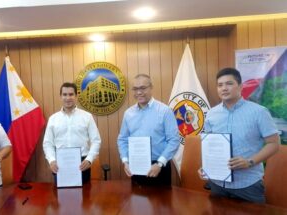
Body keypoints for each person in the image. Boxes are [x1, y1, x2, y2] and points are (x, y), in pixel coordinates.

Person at [199, 68, 280, 203]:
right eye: (220, 85)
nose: (224, 88)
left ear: (240, 87)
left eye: (229, 83)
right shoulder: (211, 114)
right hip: (218, 183)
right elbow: (210, 145)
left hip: (248, 184)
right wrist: (207, 166)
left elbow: (274, 144)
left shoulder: (259, 112)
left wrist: (249, 162)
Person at [117, 74, 180, 186]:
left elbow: (174, 140)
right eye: (135, 89)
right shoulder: (128, 114)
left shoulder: (165, 111)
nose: (139, 92)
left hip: (159, 167)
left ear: (151, 87)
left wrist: (160, 163)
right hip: (135, 166)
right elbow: (122, 139)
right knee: (137, 202)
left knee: (161, 203)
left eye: (143, 88)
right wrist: (125, 161)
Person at [43, 82, 101, 184]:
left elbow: (96, 140)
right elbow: (47, 143)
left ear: (76, 96)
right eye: (65, 94)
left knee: (86, 197)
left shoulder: (87, 117)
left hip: (82, 163)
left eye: (71, 94)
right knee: (61, 197)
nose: (68, 98)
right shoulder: (53, 119)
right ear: (60, 96)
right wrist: (51, 160)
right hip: (60, 164)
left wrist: (89, 159)